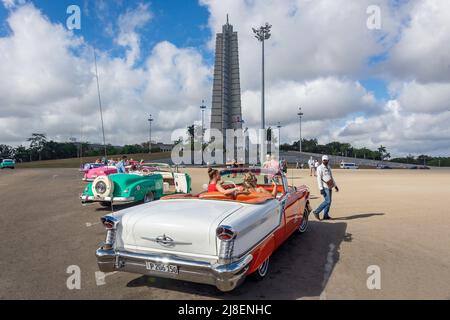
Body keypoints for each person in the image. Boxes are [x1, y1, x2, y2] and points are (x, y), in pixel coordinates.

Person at [312, 155, 339, 220]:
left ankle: (325, 215)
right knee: (328, 201)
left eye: (326, 160)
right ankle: (316, 212)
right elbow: (318, 179)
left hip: (330, 186)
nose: (325, 161)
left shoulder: (329, 167)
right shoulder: (319, 168)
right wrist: (321, 188)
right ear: (322, 160)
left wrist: (335, 185)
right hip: (324, 187)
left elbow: (331, 177)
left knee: (329, 202)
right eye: (324, 160)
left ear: (328, 160)